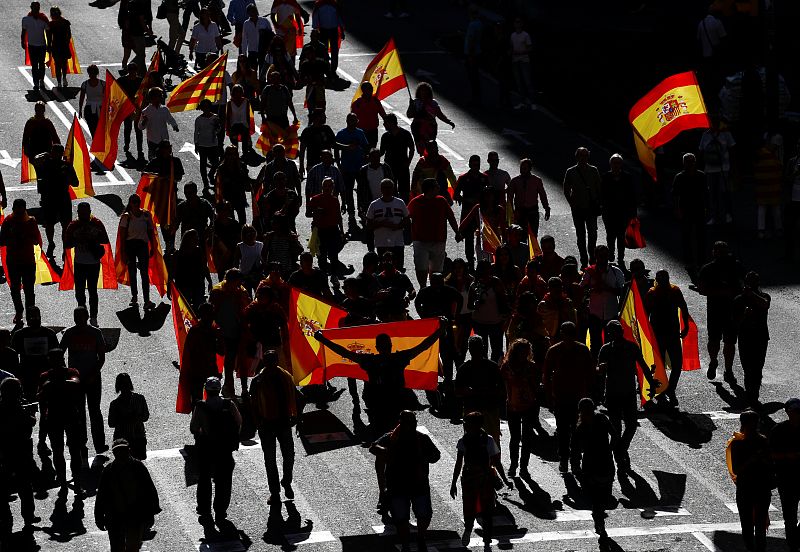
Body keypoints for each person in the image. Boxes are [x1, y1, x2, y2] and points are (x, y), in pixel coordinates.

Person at [314, 323, 444, 433]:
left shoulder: (370, 360)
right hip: (395, 402)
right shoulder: (398, 358)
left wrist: (323, 340)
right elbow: (423, 346)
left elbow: (344, 352)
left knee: (381, 435)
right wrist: (440, 330)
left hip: (379, 404)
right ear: (391, 345)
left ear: (376, 348)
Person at [371, 411, 440, 552]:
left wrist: (424, 458)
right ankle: (405, 545)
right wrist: (387, 452)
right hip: (397, 485)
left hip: (418, 484)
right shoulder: (391, 438)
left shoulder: (422, 439)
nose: (410, 426)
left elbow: (436, 455)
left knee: (424, 515)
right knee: (401, 518)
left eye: (412, 422)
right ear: (401, 424)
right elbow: (374, 447)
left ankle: (420, 538)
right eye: (407, 423)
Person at [597, 320, 660, 472]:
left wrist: (651, 382)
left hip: (629, 393)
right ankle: (619, 456)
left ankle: (620, 450)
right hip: (613, 394)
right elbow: (600, 373)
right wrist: (600, 376)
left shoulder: (631, 348)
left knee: (631, 426)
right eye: (612, 332)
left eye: (616, 331)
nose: (614, 334)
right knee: (616, 428)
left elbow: (643, 365)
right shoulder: (605, 350)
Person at [450, 411, 512, 549]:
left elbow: (459, 463)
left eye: (467, 423)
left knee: (469, 506)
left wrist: (454, 482)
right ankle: (487, 538)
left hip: (469, 479)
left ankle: (469, 527)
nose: (465, 425)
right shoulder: (488, 440)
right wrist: (505, 479)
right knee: (487, 509)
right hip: (485, 479)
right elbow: (497, 462)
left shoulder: (463, 441)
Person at [190, 377, 242, 530]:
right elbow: (239, 422)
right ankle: (220, 510)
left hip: (207, 448)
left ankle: (204, 509)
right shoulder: (228, 404)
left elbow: (193, 428)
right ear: (219, 390)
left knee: (204, 479)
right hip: (224, 449)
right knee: (223, 481)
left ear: (206, 390)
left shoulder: (200, 406)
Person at [543, 321, 594, 472]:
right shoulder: (554, 351)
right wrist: (548, 395)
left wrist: (590, 394)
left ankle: (575, 459)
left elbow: (590, 373)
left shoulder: (583, 350)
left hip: (578, 398)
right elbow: (546, 375)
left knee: (577, 430)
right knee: (563, 430)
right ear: (562, 335)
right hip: (560, 397)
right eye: (566, 334)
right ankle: (564, 459)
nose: (569, 338)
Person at [249, 350, 298, 504]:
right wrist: (258, 423)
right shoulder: (258, 381)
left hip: (283, 422)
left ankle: (286, 481)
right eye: (269, 362)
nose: (271, 365)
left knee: (289, 456)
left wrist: (296, 417)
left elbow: (298, 397)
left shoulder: (285, 377)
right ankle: (275, 492)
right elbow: (253, 404)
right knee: (270, 460)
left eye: (273, 362)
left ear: (276, 362)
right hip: (266, 424)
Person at [95, 439, 160, 552]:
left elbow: (101, 496)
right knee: (125, 547)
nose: (121, 455)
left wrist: (99, 517)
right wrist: (152, 512)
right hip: (124, 516)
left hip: (126, 516)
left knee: (126, 547)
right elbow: (150, 490)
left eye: (122, 451)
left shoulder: (110, 470)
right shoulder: (137, 467)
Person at [61, 306, 107, 459]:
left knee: (95, 411)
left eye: (82, 316)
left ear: (87, 316)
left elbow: (101, 357)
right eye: (77, 317)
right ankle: (82, 441)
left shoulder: (95, 333)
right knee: (79, 412)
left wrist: (94, 374)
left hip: (93, 378)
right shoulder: (69, 333)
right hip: (75, 380)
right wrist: (67, 374)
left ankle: (99, 443)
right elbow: (60, 352)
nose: (79, 319)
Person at [38, 348, 85, 496]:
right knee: (59, 452)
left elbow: (75, 384)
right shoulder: (47, 376)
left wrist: (53, 385)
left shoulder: (71, 372)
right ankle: (65, 484)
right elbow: (42, 397)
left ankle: (75, 483)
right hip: (57, 417)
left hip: (67, 415)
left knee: (73, 452)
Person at [697, 241, 746, 382]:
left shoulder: (736, 266)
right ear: (714, 252)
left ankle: (728, 369)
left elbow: (747, 282)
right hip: (717, 310)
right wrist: (724, 292)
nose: (720, 254)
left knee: (728, 342)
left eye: (722, 251)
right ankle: (715, 362)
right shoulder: (708, 269)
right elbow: (701, 289)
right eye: (718, 251)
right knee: (717, 341)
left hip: (729, 310)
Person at [571, 398, 616, 549]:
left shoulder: (581, 428)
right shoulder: (602, 419)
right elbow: (615, 435)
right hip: (606, 463)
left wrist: (575, 468)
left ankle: (599, 521)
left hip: (591, 467)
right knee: (603, 496)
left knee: (596, 498)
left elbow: (575, 451)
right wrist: (610, 449)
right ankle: (600, 521)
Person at [729, 410, 774, 552]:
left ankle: (758, 548)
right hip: (748, 488)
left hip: (758, 487)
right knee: (749, 524)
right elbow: (736, 469)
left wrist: (763, 460)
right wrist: (753, 459)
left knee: (757, 524)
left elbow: (771, 464)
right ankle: (753, 548)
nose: (753, 426)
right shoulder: (737, 444)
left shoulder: (763, 441)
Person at [644, 270, 689, 406]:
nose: (663, 280)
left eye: (665, 278)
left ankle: (671, 389)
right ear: (657, 279)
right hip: (658, 334)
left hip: (673, 334)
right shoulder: (652, 293)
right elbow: (645, 314)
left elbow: (684, 307)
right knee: (659, 365)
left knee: (677, 364)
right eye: (660, 278)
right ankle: (662, 390)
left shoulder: (675, 291)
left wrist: (685, 325)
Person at [0, 377, 39, 536]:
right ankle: (27, 519)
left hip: (6, 455)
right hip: (19, 454)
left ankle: (6, 519)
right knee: (25, 488)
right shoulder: (17, 408)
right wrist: (31, 414)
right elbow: (29, 422)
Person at [407, 178, 461, 288]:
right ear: (430, 189)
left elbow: (450, 217)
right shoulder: (416, 202)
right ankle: (423, 287)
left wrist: (457, 232)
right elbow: (407, 218)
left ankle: (434, 289)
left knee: (437, 270)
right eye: (436, 186)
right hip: (420, 241)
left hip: (438, 241)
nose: (439, 188)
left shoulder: (441, 201)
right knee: (421, 267)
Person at [63, 202, 111, 325]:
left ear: (90, 211)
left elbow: (105, 239)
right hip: (79, 262)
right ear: (78, 213)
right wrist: (78, 238)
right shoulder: (73, 225)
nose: (84, 214)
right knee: (79, 291)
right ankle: (82, 313)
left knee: (92, 290)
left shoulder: (96, 223)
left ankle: (93, 316)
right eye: (81, 212)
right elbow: (67, 243)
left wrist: (92, 238)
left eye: (86, 212)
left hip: (93, 263)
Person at [455, 335, 505, 449]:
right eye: (473, 348)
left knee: (485, 443)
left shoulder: (464, 368)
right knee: (491, 443)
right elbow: (458, 391)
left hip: (483, 410)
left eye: (476, 348)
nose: (475, 351)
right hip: (479, 410)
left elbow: (502, 390)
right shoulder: (492, 366)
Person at [500, 338, 541, 477]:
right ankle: (513, 465)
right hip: (512, 405)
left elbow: (536, 386)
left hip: (528, 406)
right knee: (515, 437)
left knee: (527, 438)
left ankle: (524, 467)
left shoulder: (531, 367)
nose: (524, 354)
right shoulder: (507, 367)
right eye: (521, 351)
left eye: (526, 351)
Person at [0, 199, 43, 324]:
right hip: (13, 261)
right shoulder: (8, 221)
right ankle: (19, 311)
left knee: (29, 289)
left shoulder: (31, 221)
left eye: (21, 210)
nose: (18, 214)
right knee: (15, 288)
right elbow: (2, 241)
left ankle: (31, 313)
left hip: (28, 260)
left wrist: (27, 237)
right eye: (16, 211)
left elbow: (37, 241)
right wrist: (13, 239)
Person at [209, 269, 250, 397]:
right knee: (228, 362)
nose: (238, 286)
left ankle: (244, 388)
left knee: (243, 361)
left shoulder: (241, 292)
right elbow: (212, 312)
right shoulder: (217, 292)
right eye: (236, 282)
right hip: (223, 333)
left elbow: (247, 310)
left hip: (239, 332)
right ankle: (229, 387)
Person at [732, 271, 771, 406]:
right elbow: (734, 321)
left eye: (754, 282)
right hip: (745, 337)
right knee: (747, 367)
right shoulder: (739, 300)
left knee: (757, 367)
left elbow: (765, 304)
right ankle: (750, 393)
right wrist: (744, 315)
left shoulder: (764, 296)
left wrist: (752, 295)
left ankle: (754, 394)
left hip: (760, 337)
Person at [35, 144, 78, 257]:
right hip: (49, 198)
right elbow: (35, 160)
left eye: (59, 152)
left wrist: (68, 176)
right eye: (54, 152)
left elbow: (76, 182)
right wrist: (45, 155)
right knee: (49, 224)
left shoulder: (67, 166)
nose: (57, 154)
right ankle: (51, 243)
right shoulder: (45, 164)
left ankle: (65, 248)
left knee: (66, 225)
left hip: (63, 198)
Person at [582, 245, 625, 358]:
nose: (603, 259)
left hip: (611, 314)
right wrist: (592, 289)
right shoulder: (589, 272)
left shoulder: (616, 272)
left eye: (605, 256)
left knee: (611, 345)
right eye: (601, 256)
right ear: (596, 256)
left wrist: (607, 288)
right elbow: (581, 289)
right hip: (595, 314)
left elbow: (622, 292)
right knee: (595, 345)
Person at [179, 303, 224, 407]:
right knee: (197, 401)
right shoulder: (195, 332)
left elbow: (221, 352)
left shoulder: (213, 331)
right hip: (197, 372)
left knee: (212, 400)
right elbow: (188, 353)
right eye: (208, 314)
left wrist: (220, 338)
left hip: (210, 370)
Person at [563, 147, 602, 268]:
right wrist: (572, 203)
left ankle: (592, 257)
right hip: (578, 209)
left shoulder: (594, 170)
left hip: (591, 209)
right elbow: (566, 188)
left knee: (592, 235)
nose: (583, 158)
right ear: (577, 157)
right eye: (581, 156)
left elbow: (599, 188)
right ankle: (583, 258)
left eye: (585, 156)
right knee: (581, 236)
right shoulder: (571, 171)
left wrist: (598, 202)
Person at [770, 398, 800, 552]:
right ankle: (792, 544)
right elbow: (770, 454)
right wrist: (788, 456)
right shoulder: (778, 430)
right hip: (786, 479)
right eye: (795, 411)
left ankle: (797, 538)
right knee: (790, 516)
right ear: (788, 412)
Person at [118, 194, 158, 310]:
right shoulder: (127, 217)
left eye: (137, 201)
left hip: (142, 246)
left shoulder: (146, 215)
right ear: (130, 203)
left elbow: (151, 232)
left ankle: (146, 300)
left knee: (144, 273)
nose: (136, 204)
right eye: (133, 202)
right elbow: (122, 236)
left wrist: (153, 248)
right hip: (130, 246)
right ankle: (134, 296)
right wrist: (123, 252)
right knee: (132, 272)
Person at [672, 153, 710, 271]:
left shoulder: (701, 176)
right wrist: (677, 210)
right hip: (686, 209)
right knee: (686, 237)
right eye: (688, 161)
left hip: (698, 208)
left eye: (692, 161)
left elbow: (706, 194)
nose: (690, 164)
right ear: (684, 163)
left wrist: (707, 208)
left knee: (700, 237)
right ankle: (689, 261)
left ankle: (701, 261)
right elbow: (675, 195)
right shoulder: (679, 177)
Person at [600, 154, 636, 267]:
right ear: (610, 164)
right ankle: (611, 253)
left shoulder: (627, 177)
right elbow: (601, 194)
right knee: (610, 235)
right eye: (614, 163)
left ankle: (621, 257)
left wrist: (632, 213)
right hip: (609, 212)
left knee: (621, 236)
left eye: (618, 163)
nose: (616, 165)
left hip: (623, 212)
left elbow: (632, 196)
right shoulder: (605, 177)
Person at [335, 113, 370, 230]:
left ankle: (361, 210)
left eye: (355, 120)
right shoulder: (341, 134)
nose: (353, 122)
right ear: (347, 120)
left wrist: (365, 158)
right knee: (348, 191)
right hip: (347, 167)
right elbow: (336, 149)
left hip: (360, 166)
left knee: (361, 190)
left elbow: (366, 147)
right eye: (351, 120)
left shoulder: (360, 133)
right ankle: (351, 212)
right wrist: (339, 164)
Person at [468, 261, 508, 362]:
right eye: (483, 270)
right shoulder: (474, 285)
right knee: (482, 351)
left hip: (496, 322)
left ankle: (494, 367)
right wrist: (475, 305)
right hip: (479, 323)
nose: (485, 273)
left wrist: (505, 318)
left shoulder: (496, 283)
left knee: (497, 349)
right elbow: (469, 305)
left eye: (487, 270)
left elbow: (504, 300)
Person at [454, 155, 490, 265]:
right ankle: (470, 260)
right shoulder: (463, 178)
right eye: (474, 164)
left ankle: (483, 260)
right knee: (468, 237)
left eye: (478, 164)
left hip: (481, 212)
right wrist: (465, 199)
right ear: (469, 164)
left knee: (483, 236)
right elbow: (455, 194)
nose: (476, 166)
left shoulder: (484, 177)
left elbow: (490, 193)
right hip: (468, 211)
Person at [699, 116, 735, 225]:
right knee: (712, 193)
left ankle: (728, 214)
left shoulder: (726, 134)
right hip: (710, 169)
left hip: (724, 168)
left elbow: (733, 149)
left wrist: (733, 167)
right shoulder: (705, 135)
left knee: (725, 192)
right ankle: (715, 216)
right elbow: (701, 150)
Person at [366, 178, 408, 268]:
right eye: (385, 187)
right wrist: (382, 224)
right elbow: (368, 225)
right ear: (381, 189)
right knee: (383, 269)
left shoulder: (400, 203)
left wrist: (397, 226)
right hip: (381, 243)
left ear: (393, 188)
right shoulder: (374, 205)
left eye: (389, 187)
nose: (387, 190)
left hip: (398, 242)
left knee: (398, 268)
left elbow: (407, 220)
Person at [108, 373, 150, 460]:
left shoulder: (114, 404)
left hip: (123, 439)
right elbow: (145, 417)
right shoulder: (140, 399)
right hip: (138, 436)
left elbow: (111, 423)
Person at [357, 150, 394, 245]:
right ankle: (371, 249)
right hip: (369, 204)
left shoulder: (385, 168)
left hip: (385, 203)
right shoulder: (364, 170)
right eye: (373, 157)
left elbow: (392, 185)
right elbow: (360, 190)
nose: (376, 159)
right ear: (369, 158)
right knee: (370, 229)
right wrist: (360, 207)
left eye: (378, 157)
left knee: (386, 227)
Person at [406, 82, 455, 154]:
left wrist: (449, 122)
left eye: (426, 91)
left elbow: (439, 114)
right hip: (418, 127)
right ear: (419, 92)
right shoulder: (415, 102)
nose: (424, 93)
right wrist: (411, 105)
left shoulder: (433, 103)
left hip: (430, 127)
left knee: (430, 147)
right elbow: (409, 115)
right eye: (422, 90)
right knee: (421, 149)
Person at [508, 158, 550, 236]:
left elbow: (542, 195)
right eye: (521, 168)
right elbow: (510, 198)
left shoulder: (537, 180)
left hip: (532, 212)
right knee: (520, 235)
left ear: (530, 169)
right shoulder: (515, 181)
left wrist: (546, 207)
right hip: (519, 212)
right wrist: (511, 213)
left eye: (524, 168)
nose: (522, 170)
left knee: (533, 235)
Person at [380, 113, 415, 204]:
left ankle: (405, 209)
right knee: (391, 189)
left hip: (402, 166)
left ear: (392, 123)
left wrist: (408, 162)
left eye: (385, 122)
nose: (383, 124)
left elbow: (412, 148)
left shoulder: (405, 134)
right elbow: (382, 152)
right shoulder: (385, 136)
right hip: (389, 167)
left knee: (404, 191)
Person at [139, 88, 180, 160]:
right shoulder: (146, 111)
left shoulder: (164, 109)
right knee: (153, 159)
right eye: (159, 96)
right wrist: (144, 121)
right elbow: (140, 127)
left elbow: (170, 119)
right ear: (152, 98)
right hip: (153, 140)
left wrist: (174, 125)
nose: (161, 98)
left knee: (166, 159)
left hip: (164, 139)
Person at [215, 146, 252, 224]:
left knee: (242, 220)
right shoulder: (221, 168)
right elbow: (217, 184)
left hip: (239, 196)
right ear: (226, 155)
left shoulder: (241, 166)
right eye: (229, 154)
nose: (232, 156)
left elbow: (246, 180)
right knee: (230, 221)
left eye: (234, 154)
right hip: (228, 198)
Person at [117, 62, 145, 162]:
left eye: (134, 70)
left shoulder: (140, 81)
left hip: (137, 108)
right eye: (131, 70)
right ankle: (127, 144)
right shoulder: (122, 80)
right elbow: (116, 90)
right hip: (127, 107)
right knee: (127, 128)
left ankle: (140, 149)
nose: (132, 72)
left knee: (138, 130)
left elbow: (144, 93)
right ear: (128, 71)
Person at [194, 99, 222, 193]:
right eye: (203, 107)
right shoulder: (198, 119)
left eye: (207, 106)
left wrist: (216, 127)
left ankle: (211, 174)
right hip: (202, 145)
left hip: (213, 144)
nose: (205, 109)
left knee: (216, 163)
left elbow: (218, 130)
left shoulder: (215, 117)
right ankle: (205, 183)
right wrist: (196, 144)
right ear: (201, 108)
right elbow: (196, 132)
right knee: (202, 166)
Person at [299, 110, 336, 180]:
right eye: (323, 116)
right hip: (312, 165)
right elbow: (302, 150)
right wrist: (301, 166)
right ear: (317, 117)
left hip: (327, 164)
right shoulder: (307, 131)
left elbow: (334, 144)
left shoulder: (327, 129)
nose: (325, 118)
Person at [22, 101, 60, 166]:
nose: (39, 112)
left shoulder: (46, 123)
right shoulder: (31, 122)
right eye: (38, 110)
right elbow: (25, 140)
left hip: (45, 154)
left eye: (40, 110)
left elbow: (55, 139)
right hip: (35, 154)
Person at [21, 1, 49, 91]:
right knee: (40, 64)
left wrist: (22, 42)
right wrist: (49, 44)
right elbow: (48, 32)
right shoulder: (43, 18)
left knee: (35, 65)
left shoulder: (26, 19)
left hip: (34, 45)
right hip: (40, 45)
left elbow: (23, 32)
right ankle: (40, 81)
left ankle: (37, 82)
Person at [311, 0, 344, 73]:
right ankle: (328, 68)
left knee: (330, 51)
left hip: (327, 31)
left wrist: (315, 28)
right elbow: (339, 18)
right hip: (327, 31)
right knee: (328, 51)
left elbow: (315, 18)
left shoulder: (319, 5)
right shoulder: (334, 4)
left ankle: (331, 69)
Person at [352, 82, 387, 147]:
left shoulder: (376, 101)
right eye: (367, 89)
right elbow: (352, 119)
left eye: (371, 88)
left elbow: (383, 115)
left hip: (373, 131)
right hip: (361, 132)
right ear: (363, 90)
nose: (370, 90)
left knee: (372, 151)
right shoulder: (357, 103)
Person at [241, 3, 273, 74]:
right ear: (248, 13)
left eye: (254, 11)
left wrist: (270, 48)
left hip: (263, 51)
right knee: (252, 71)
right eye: (251, 11)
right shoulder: (246, 24)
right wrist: (244, 54)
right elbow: (244, 40)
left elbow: (271, 36)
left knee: (263, 71)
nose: (253, 13)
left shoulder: (264, 21)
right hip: (252, 51)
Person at [510, 17, 534, 107]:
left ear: (521, 24)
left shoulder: (526, 35)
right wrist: (511, 52)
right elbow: (512, 46)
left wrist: (520, 52)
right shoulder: (512, 35)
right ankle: (522, 100)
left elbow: (530, 48)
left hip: (524, 60)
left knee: (527, 81)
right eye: (516, 22)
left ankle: (532, 101)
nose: (517, 23)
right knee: (519, 82)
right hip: (515, 61)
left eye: (519, 22)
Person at [46, 6, 72, 89]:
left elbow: (49, 37)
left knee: (58, 64)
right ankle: (63, 78)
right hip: (63, 45)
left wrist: (49, 48)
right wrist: (67, 43)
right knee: (64, 63)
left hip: (56, 46)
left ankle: (59, 82)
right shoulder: (65, 22)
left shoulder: (51, 24)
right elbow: (69, 35)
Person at [78, 64, 106, 136]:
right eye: (91, 73)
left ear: (96, 73)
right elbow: (81, 98)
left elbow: (107, 97)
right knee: (93, 129)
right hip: (90, 110)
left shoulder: (103, 84)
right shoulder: (85, 84)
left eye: (93, 73)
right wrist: (80, 109)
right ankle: (95, 144)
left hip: (100, 109)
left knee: (100, 130)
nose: (92, 75)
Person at [463, 4, 483, 104]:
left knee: (472, 76)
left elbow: (472, 40)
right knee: (475, 76)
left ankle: (475, 98)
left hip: (472, 54)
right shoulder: (479, 23)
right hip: (477, 53)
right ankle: (477, 97)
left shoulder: (473, 25)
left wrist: (470, 54)